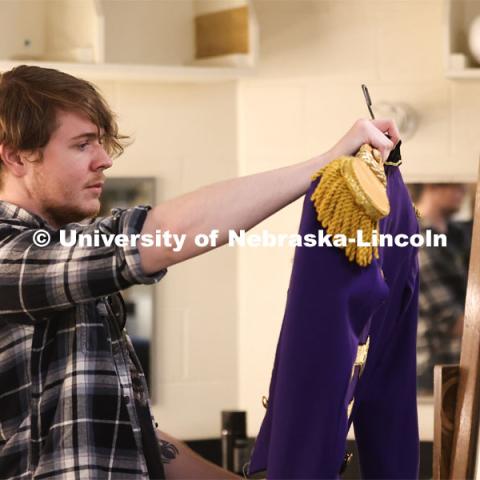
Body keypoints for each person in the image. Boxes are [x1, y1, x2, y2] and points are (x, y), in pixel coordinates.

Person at [0, 65, 399, 479]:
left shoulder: (71, 269)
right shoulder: (9, 256)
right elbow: (161, 235)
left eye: (100, 144)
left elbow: (139, 442)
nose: (103, 161)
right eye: (82, 145)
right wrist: (324, 164)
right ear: (15, 155)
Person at [415, 183, 470, 393]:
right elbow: (451, 320)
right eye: (456, 184)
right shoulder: (417, 238)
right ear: (432, 185)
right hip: (434, 369)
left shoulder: (456, 235)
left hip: (458, 364)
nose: (463, 190)